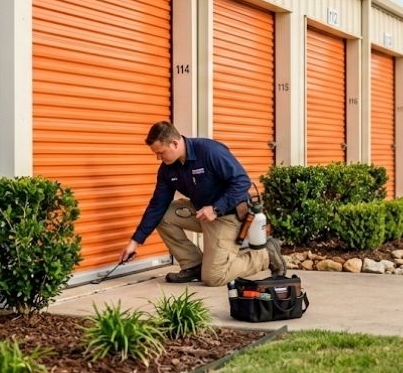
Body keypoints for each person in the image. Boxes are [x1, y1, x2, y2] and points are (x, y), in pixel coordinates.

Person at [119, 121, 285, 286]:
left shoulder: (210, 152)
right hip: (202, 213)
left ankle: (265, 256)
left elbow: (242, 182)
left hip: (228, 215)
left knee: (214, 277)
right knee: (163, 215)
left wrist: (215, 208)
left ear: (174, 143)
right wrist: (134, 243)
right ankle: (193, 265)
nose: (158, 158)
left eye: (161, 153)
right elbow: (157, 205)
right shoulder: (167, 169)